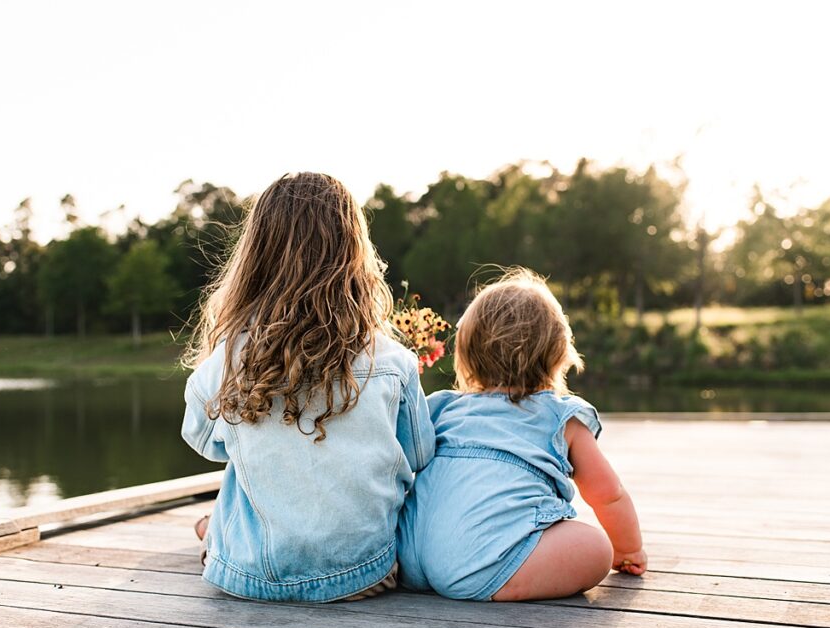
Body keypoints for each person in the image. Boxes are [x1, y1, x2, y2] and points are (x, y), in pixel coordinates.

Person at [182, 172, 434, 602]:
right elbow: (419, 455)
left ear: (255, 257)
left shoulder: (227, 359)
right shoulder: (392, 360)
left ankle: (221, 533)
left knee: (241, 475)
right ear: (355, 255)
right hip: (364, 573)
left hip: (249, 577)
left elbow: (204, 441)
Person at [397, 268, 647, 601]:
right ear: (558, 352)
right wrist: (628, 549)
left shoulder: (442, 406)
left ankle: (459, 569)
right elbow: (608, 494)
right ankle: (498, 581)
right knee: (595, 547)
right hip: (481, 561)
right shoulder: (561, 417)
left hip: (411, 556)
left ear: (466, 353)